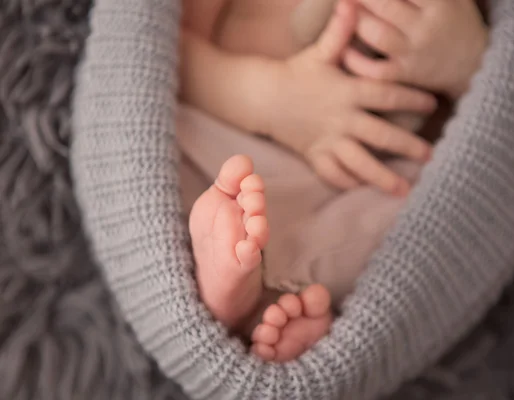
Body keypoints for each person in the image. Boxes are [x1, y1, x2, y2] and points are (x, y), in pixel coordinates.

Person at [177, 0, 489, 362]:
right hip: (236, 136)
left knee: (427, 210)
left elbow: (505, 105)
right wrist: (265, 101)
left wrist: (469, 60)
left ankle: (269, 298)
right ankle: (229, 281)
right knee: (187, 155)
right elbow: (169, 52)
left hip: (358, 183)